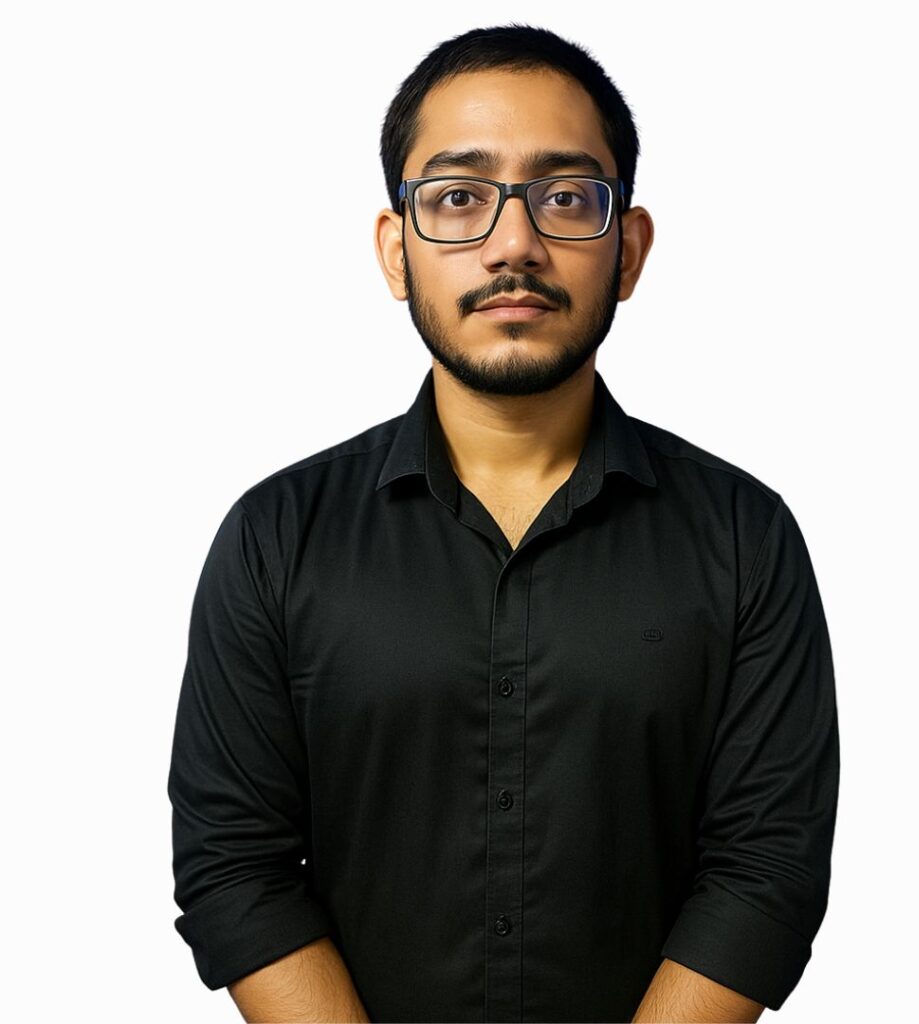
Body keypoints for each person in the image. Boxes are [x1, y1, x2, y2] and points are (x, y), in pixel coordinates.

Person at [167, 23, 840, 1024]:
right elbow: (233, 864)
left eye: (565, 197)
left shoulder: (746, 538)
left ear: (628, 249)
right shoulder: (275, 538)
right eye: (458, 197)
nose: (514, 243)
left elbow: (766, 872)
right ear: (396, 250)